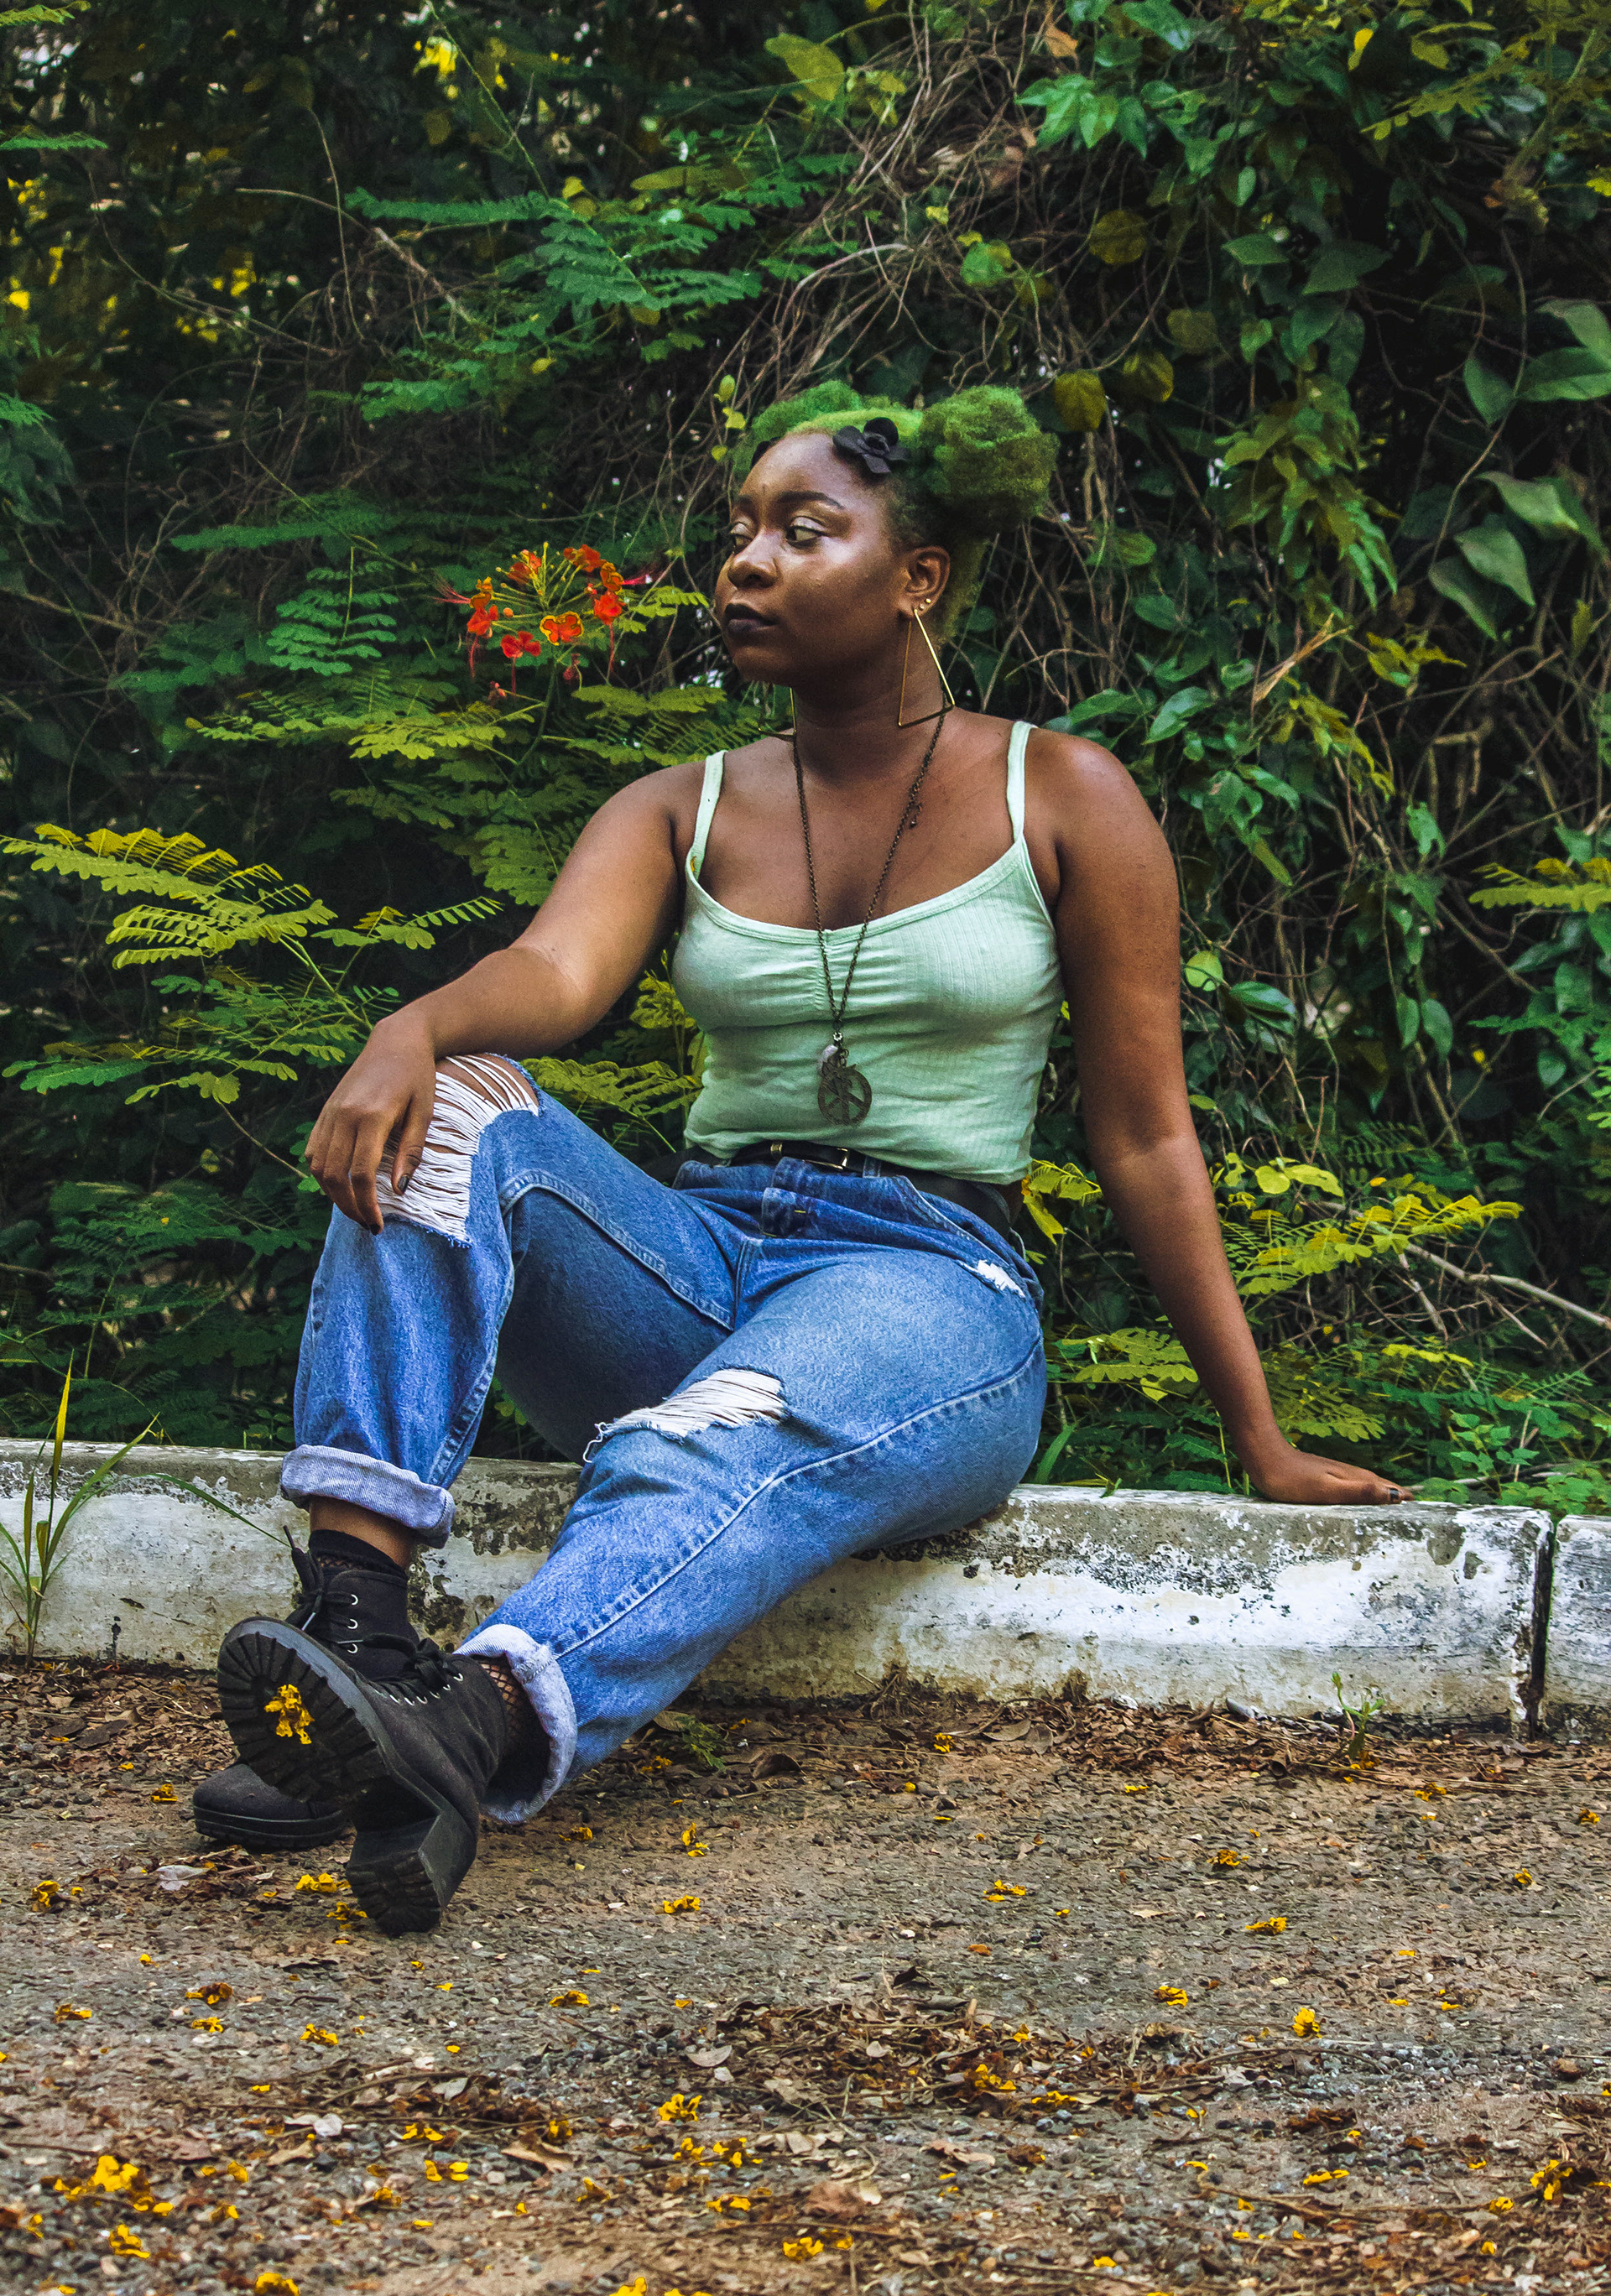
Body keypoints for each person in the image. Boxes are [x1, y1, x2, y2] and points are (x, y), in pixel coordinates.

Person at [203, 381, 1410, 1932]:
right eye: (740, 532)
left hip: (928, 1285)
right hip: (699, 1259)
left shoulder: (1065, 794)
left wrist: (1260, 1436)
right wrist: (414, 1024)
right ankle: (360, 1647)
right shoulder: (680, 806)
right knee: (457, 1099)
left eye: (803, 531)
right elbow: (556, 977)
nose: (748, 562)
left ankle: (471, 1723)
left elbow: (1146, 1134)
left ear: (920, 578)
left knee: (713, 1432)